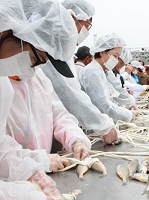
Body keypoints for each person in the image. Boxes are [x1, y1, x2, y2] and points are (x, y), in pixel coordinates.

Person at [0, 0, 84, 198]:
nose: (33, 68)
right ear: (13, 31)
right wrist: (19, 193)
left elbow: (0, 147)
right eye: (36, 58)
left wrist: (32, 166)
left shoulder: (3, 84)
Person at [41, 0, 118, 145]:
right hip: (47, 133)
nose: (86, 31)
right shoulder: (48, 51)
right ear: (70, 18)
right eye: (87, 25)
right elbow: (68, 94)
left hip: (62, 130)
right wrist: (102, 125)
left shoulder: (64, 52)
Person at [79, 33, 134, 122]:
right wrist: (128, 115)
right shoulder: (92, 72)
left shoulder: (102, 71)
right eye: (115, 56)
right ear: (102, 52)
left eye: (118, 57)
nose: (116, 60)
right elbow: (103, 106)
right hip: (93, 124)